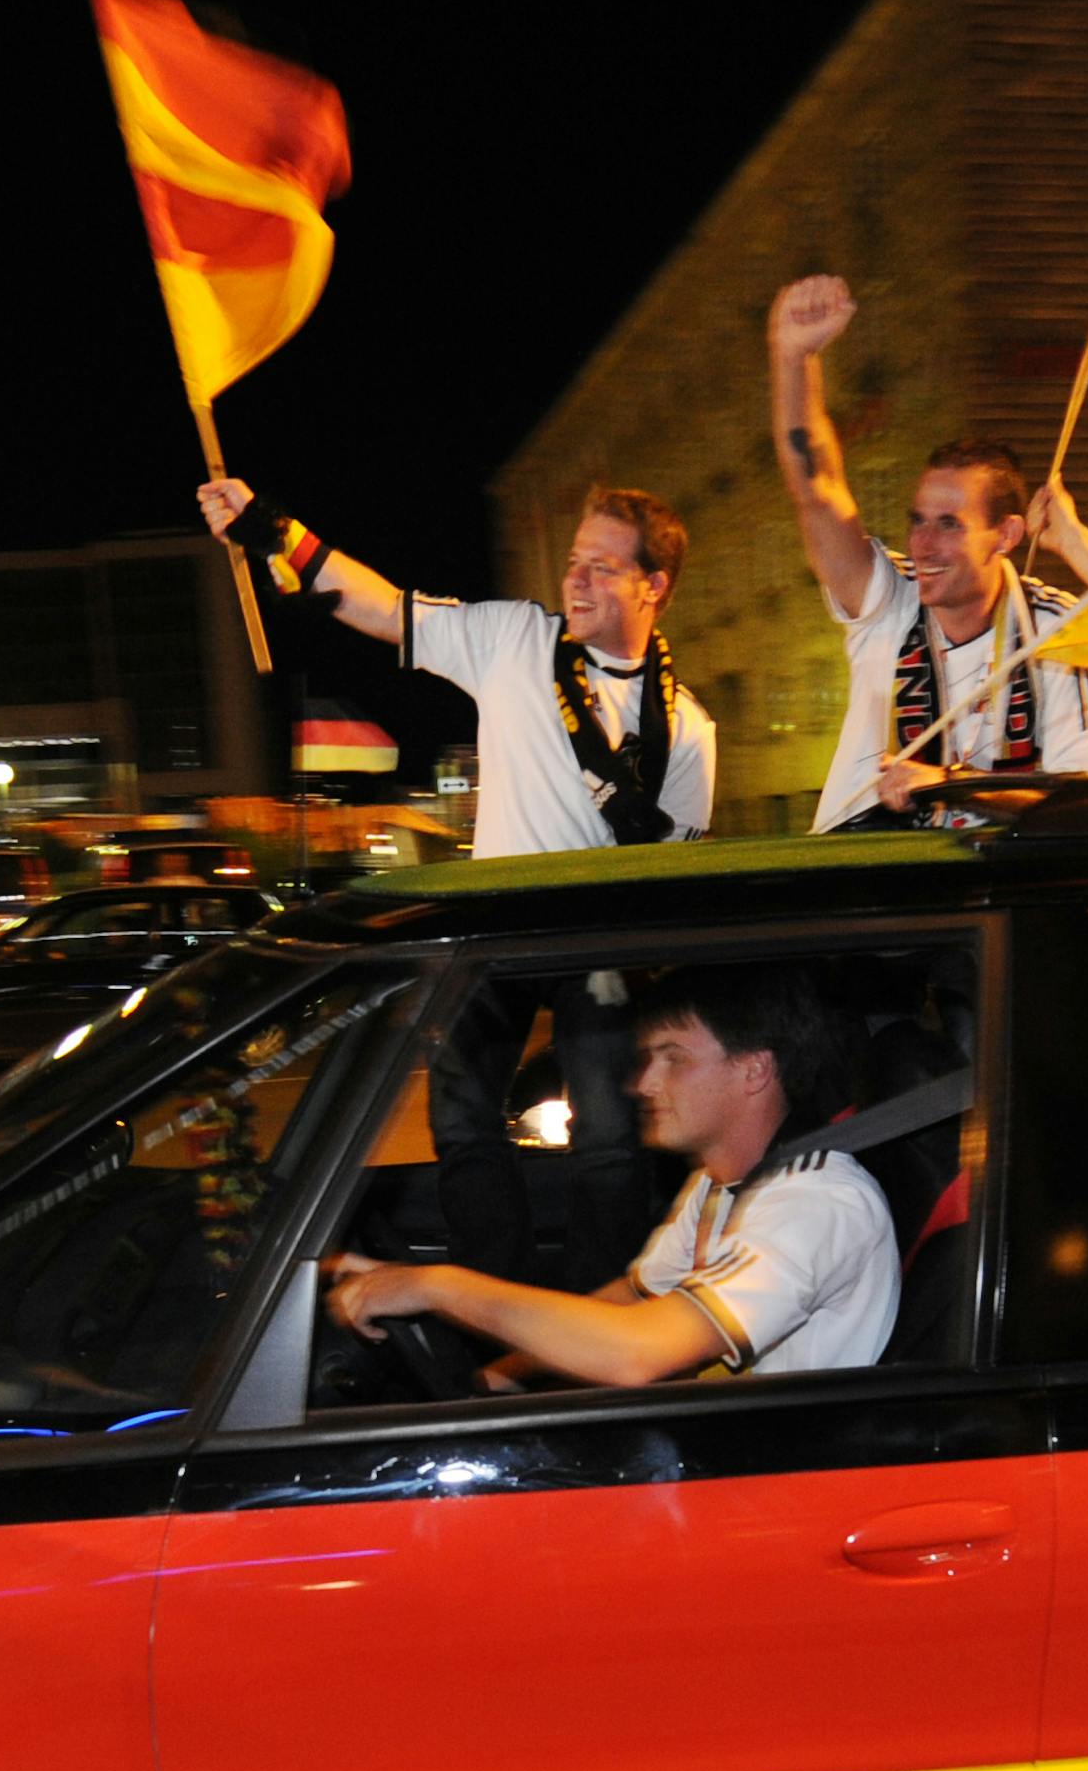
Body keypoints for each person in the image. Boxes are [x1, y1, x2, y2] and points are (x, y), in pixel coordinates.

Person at [197, 474, 717, 1287]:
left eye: (601, 567)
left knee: (610, 1143)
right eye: (574, 561)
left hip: (601, 946)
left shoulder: (687, 729)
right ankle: (490, 1292)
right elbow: (377, 606)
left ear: (654, 586)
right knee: (464, 1120)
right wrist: (270, 529)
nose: (574, 579)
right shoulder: (514, 639)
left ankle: (596, 1313)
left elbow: (678, 878)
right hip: (497, 930)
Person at [324, 962, 898, 1386]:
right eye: (647, 1058)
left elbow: (637, 1351)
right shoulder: (718, 1183)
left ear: (753, 1070)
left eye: (673, 1059)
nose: (644, 1083)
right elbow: (627, 1300)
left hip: (776, 1494)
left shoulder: (816, 1204)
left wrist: (437, 1286)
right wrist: (500, 1381)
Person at [767, 276, 1088, 830]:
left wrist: (952, 786)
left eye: (950, 525)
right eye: (918, 521)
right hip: (864, 887)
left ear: (1005, 535)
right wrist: (794, 356)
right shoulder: (887, 602)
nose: (923, 544)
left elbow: (1082, 807)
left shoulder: (1060, 634)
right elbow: (818, 490)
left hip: (983, 904)